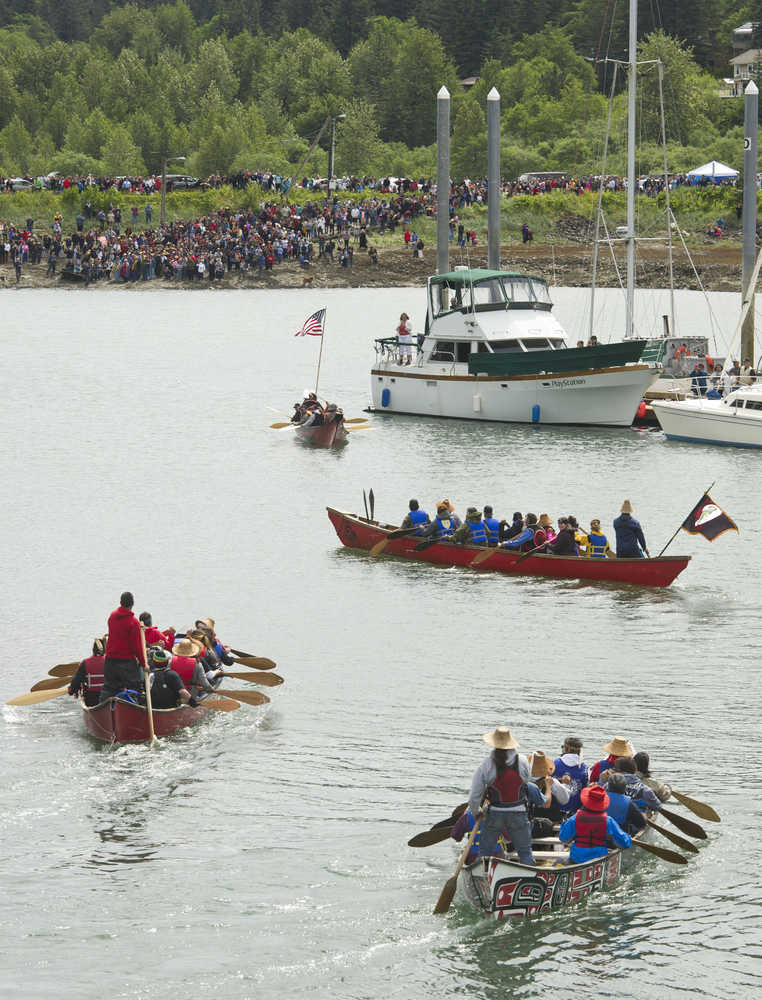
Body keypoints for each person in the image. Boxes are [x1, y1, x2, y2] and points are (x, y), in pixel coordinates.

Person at [468, 726, 545, 864]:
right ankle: (528, 879)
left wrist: (477, 812)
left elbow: (475, 795)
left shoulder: (486, 765)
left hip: (495, 813)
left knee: (484, 853)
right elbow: (526, 781)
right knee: (525, 853)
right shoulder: (522, 761)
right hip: (519, 813)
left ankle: (482, 877)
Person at [559, 784, 631, 863]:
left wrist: (563, 824)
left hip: (577, 858)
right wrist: (628, 838)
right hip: (599, 857)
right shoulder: (608, 821)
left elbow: (563, 838)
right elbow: (625, 843)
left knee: (560, 861)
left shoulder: (575, 818)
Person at [100, 591, 146, 702]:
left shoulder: (112, 616)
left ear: (120, 602)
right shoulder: (133, 622)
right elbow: (137, 647)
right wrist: (144, 664)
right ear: (133, 603)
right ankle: (134, 709)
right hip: (126, 662)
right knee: (133, 689)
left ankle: (104, 708)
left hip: (110, 660)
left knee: (109, 688)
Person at [527, 751, 570, 822]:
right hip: (551, 821)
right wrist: (565, 785)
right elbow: (565, 800)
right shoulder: (553, 783)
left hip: (529, 819)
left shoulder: (522, 783)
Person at [553, 736, 589, 815]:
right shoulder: (584, 768)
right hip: (576, 810)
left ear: (566, 749)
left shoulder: (554, 763)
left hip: (556, 809)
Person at [68, 638, 107, 707]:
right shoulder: (110, 661)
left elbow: (77, 680)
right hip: (107, 696)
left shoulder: (85, 663)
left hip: (91, 699)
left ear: (93, 650)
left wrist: (72, 690)